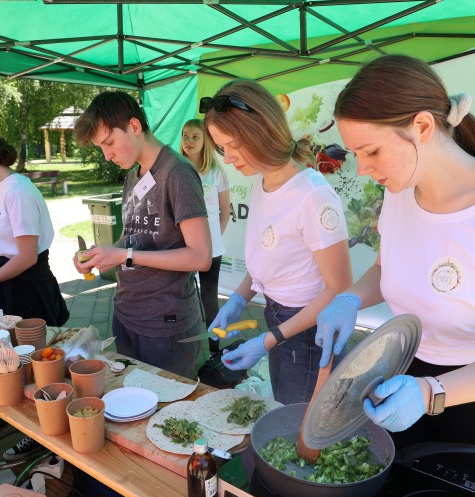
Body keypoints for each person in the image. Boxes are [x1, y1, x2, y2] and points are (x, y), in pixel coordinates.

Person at [315, 54, 475, 446]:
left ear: (422, 126)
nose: (363, 169)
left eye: (372, 152)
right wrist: (350, 298)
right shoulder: (400, 191)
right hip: (403, 371)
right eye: (356, 156)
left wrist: (430, 392)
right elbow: (386, 267)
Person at [201, 80, 352, 405]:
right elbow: (267, 264)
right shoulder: (263, 184)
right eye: (221, 148)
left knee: (300, 422)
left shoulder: (313, 196)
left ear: (261, 131)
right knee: (284, 406)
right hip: (277, 317)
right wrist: (239, 299)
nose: (227, 159)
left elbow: (338, 290)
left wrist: (270, 339)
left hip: (311, 328)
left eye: (232, 146)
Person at [73, 91, 211, 380]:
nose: (107, 155)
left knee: (167, 414)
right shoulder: (134, 176)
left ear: (134, 127)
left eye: (109, 143)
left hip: (165, 323)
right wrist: (105, 254)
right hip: (127, 313)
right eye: (101, 147)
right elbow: (132, 237)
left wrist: (125, 255)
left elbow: (201, 257)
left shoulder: (178, 173)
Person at [0, 128, 70, 461]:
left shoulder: (18, 190)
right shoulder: (0, 188)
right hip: (7, 285)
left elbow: (26, 255)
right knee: (17, 366)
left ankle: (50, 440)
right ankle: (35, 434)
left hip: (28, 288)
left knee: (39, 368)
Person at [180, 118, 230, 353]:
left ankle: (215, 348)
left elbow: (225, 211)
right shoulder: (176, 170)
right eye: (185, 135)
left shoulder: (216, 172)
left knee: (209, 299)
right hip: (181, 248)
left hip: (212, 249)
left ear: (205, 141)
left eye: (195, 137)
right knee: (182, 296)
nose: (189, 141)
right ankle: (183, 345)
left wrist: (213, 240)